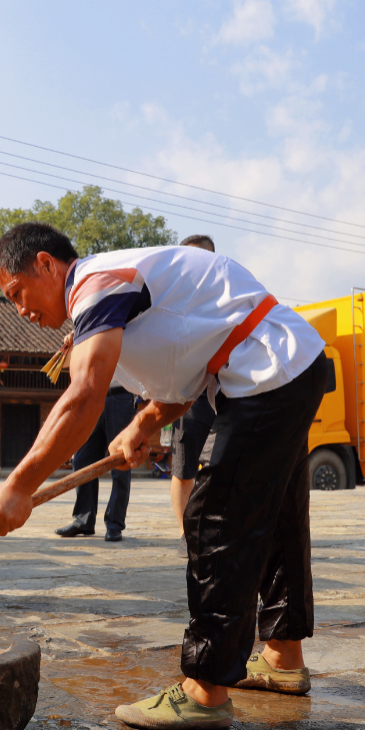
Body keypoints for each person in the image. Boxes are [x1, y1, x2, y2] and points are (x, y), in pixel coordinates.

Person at [0, 222, 326, 730]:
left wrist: (19, 485)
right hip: (288, 365)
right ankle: (282, 657)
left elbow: (83, 395)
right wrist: (142, 424)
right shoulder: (114, 295)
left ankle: (205, 691)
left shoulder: (97, 281)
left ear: (47, 266)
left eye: (17, 293)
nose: (21, 310)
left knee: (215, 520)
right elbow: (181, 384)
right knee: (276, 520)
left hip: (265, 372)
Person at [54, 330, 138, 542]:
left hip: (121, 394)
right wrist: (74, 342)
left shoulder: (124, 316)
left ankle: (114, 523)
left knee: (119, 461)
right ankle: (84, 519)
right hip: (92, 394)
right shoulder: (86, 324)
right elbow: (71, 366)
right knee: (82, 459)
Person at [168, 235, 219, 558]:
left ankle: (218, 531)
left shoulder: (224, 294)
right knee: (183, 470)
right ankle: (186, 534)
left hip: (224, 394)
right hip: (186, 395)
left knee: (219, 467)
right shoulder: (172, 298)